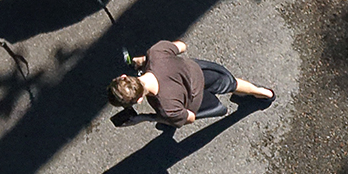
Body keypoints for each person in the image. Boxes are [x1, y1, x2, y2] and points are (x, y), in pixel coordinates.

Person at [108, 38, 274, 127]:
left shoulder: (167, 108)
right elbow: (182, 46)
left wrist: (146, 118)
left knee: (174, 119)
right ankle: (264, 93)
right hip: (201, 72)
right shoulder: (155, 52)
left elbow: (190, 117)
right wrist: (145, 60)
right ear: (124, 76)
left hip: (196, 101)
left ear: (138, 100)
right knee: (233, 84)